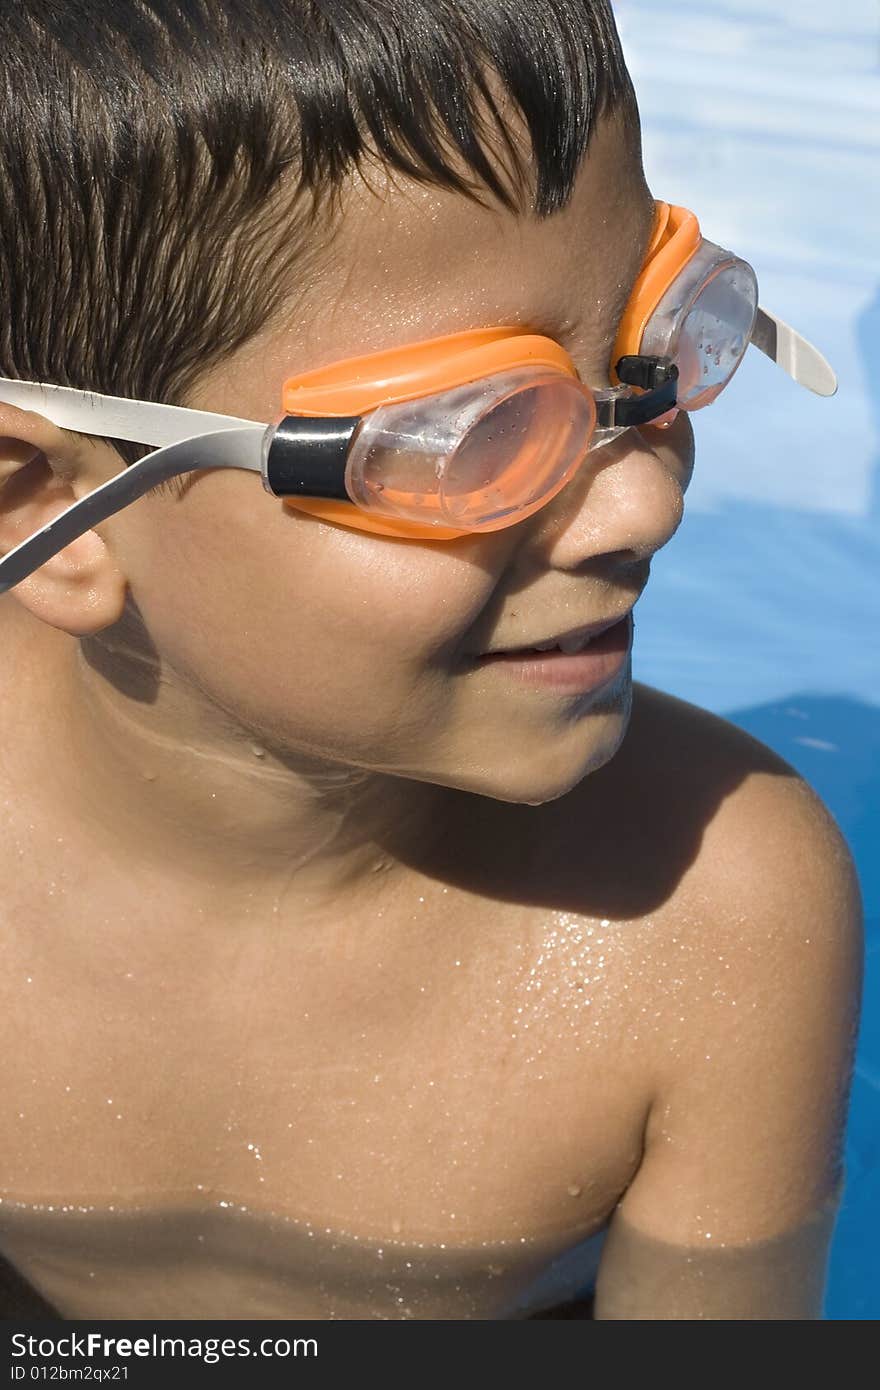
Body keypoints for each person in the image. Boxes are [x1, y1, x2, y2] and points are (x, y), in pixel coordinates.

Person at [0, 0, 863, 1320]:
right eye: (465, 432)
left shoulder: (716, 918)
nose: (643, 505)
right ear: (47, 510)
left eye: (657, 347)